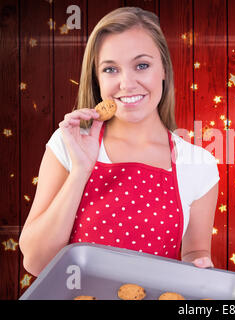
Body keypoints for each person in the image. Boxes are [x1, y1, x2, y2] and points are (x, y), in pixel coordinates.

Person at [19, 7, 219, 277]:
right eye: (111, 69)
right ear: (97, 79)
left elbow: (195, 253)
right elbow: (36, 262)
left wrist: (202, 267)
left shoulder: (199, 164)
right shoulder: (68, 143)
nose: (127, 83)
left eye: (142, 65)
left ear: (163, 69)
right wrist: (80, 171)